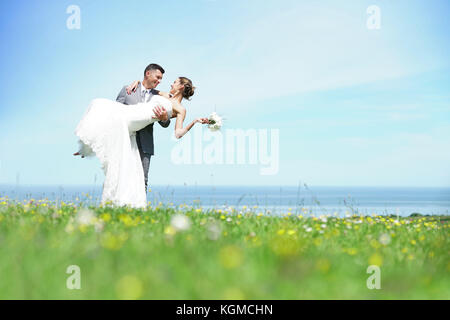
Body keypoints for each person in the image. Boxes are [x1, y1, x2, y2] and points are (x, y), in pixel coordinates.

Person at [74, 77, 209, 208]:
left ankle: (133, 205)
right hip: (136, 111)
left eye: (174, 82)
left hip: (140, 120)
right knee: (103, 108)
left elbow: (178, 133)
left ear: (180, 86)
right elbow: (146, 88)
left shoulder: (181, 109)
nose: (170, 84)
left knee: (107, 111)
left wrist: (194, 121)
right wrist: (137, 81)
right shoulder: (164, 94)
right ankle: (89, 143)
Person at [116, 63, 170, 192]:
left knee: (142, 181)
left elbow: (166, 123)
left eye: (161, 79)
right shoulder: (128, 90)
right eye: (157, 77)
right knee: (122, 177)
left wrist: (164, 118)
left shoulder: (159, 97)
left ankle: (140, 211)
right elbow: (114, 114)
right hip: (125, 142)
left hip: (145, 145)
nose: (159, 81)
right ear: (148, 73)